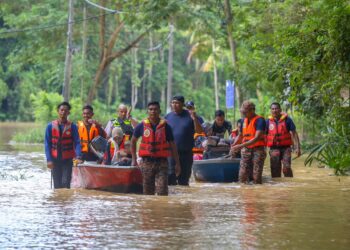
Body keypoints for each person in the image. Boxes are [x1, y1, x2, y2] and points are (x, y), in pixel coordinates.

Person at [131, 101, 181, 195]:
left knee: (162, 192)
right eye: (150, 109)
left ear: (159, 111)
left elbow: (173, 145)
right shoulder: (141, 126)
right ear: (147, 111)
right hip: (146, 162)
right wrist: (134, 159)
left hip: (162, 162)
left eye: (155, 109)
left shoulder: (166, 127)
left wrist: (177, 163)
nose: (153, 111)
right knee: (147, 193)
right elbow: (133, 141)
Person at [165, 95, 203, 185]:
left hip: (186, 153)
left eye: (177, 103)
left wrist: (194, 118)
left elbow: (199, 131)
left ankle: (184, 198)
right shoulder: (167, 117)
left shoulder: (190, 115)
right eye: (173, 103)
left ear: (182, 104)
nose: (174, 105)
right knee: (170, 178)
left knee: (184, 180)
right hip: (170, 154)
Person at [45, 102, 82, 189]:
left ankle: (65, 201)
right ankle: (58, 201)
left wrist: (78, 156)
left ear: (68, 113)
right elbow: (47, 144)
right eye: (61, 110)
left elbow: (77, 142)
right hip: (55, 160)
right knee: (57, 186)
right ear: (58, 111)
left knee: (66, 184)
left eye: (66, 111)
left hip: (67, 160)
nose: (63, 112)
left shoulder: (73, 127)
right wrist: (49, 160)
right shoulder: (50, 126)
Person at [231, 101, 266, 184]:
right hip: (246, 149)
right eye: (242, 112)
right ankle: (245, 194)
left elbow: (257, 138)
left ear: (252, 110)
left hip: (258, 149)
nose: (243, 114)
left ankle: (257, 194)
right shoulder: (243, 121)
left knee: (256, 176)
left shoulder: (260, 120)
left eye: (245, 112)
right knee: (242, 176)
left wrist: (240, 145)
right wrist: (233, 146)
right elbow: (240, 135)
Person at [266, 102, 301, 177]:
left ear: (280, 109)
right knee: (275, 172)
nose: (274, 110)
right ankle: (277, 187)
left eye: (276, 108)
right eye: (273, 109)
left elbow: (294, 133)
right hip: (273, 148)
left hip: (286, 148)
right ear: (271, 110)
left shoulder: (287, 120)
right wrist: (263, 149)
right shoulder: (267, 122)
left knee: (287, 168)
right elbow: (263, 136)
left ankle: (289, 184)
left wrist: (297, 148)